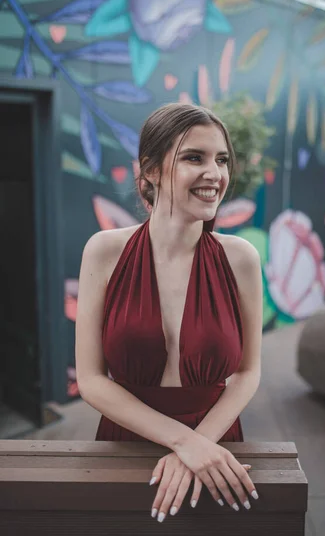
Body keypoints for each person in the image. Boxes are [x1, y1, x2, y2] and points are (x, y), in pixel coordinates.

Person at [75, 103, 263, 523]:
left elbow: (249, 372)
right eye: (194, 157)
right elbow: (90, 379)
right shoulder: (104, 251)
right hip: (128, 440)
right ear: (151, 171)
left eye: (221, 160)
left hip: (216, 441)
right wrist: (185, 443)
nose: (214, 173)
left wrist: (200, 444)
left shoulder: (242, 259)